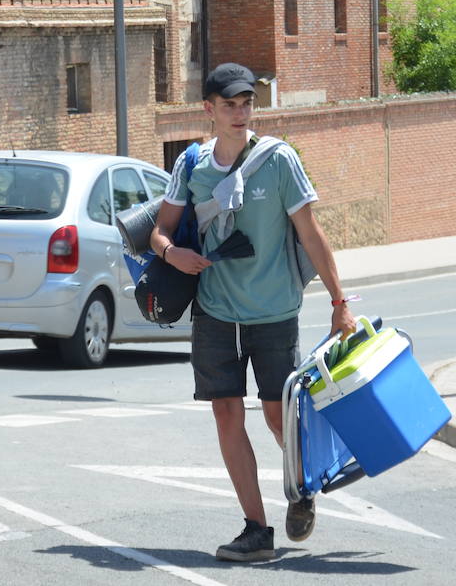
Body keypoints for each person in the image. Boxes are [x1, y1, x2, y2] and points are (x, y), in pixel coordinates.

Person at [150, 63, 354, 563]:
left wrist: (339, 302)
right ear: (209, 110)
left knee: (275, 413)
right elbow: (160, 231)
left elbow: (309, 231)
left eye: (247, 105)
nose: (240, 114)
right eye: (230, 106)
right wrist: (171, 252)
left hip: (273, 310)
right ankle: (256, 529)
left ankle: (302, 486)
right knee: (225, 412)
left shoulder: (278, 161)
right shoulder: (192, 165)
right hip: (216, 311)